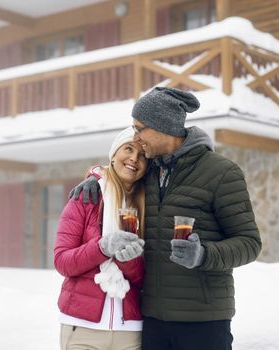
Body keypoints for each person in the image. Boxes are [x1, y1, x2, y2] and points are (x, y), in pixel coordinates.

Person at [71, 87, 262, 350]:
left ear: (163, 128)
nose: (136, 138)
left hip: (203, 321)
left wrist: (203, 254)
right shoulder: (149, 171)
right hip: (153, 321)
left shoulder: (222, 173)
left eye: (140, 129)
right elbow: (118, 171)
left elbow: (250, 243)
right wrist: (95, 178)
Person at [54, 127, 148, 350]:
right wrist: (103, 247)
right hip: (82, 329)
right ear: (114, 154)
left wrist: (127, 258)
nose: (134, 158)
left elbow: (147, 278)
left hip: (129, 332)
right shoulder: (85, 198)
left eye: (143, 155)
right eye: (128, 149)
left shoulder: (146, 206)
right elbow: (62, 262)